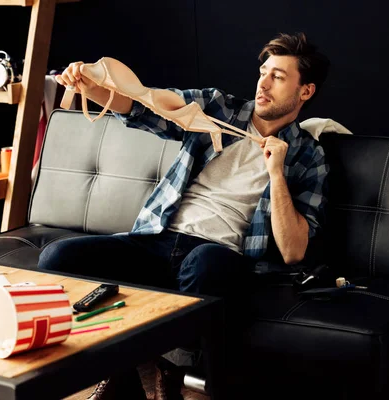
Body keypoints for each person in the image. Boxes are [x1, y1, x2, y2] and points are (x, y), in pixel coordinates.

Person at [40, 32, 330, 400]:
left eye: (279, 76)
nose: (263, 83)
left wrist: (276, 174)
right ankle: (125, 375)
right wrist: (88, 85)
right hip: (156, 240)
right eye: (263, 72)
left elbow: (293, 252)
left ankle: (184, 377)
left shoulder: (308, 156)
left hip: (220, 255)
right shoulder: (217, 109)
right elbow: (143, 106)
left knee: (205, 263)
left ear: (305, 91)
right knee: (57, 258)